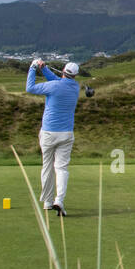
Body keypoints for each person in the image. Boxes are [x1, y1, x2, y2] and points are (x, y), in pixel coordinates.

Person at [27, 58, 82, 216]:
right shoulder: (75, 87)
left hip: (48, 133)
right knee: (61, 168)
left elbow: (30, 88)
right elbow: (58, 82)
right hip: (66, 134)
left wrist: (33, 67)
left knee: (47, 166)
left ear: (63, 70)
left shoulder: (54, 85)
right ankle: (59, 200)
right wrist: (44, 70)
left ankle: (47, 201)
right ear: (75, 75)